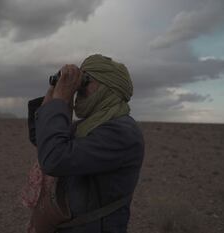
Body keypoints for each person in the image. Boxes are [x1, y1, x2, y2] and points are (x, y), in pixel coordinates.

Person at [26, 54, 144, 233]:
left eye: (86, 80)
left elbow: (54, 159)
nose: (79, 87)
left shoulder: (121, 132)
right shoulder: (88, 125)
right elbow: (43, 141)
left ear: (107, 87)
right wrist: (54, 91)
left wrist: (60, 101)